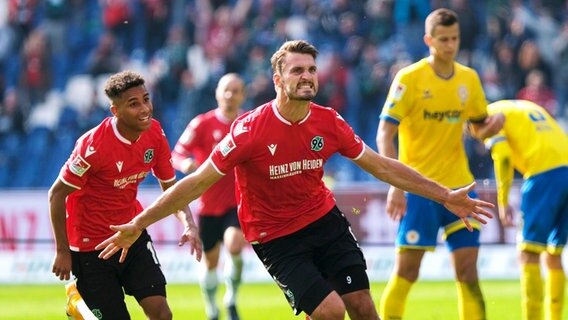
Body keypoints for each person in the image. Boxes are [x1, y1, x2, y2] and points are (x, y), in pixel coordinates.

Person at [95, 40, 494, 320]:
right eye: (297, 70)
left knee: (363, 310)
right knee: (331, 312)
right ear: (277, 79)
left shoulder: (329, 121)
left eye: (312, 70)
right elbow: (196, 181)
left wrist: (445, 195)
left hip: (325, 223)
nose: (307, 76)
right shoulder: (249, 131)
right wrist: (138, 224)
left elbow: (382, 166)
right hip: (276, 238)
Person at [48, 70, 202, 320]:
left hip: (131, 235)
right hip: (91, 247)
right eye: (134, 104)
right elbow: (56, 194)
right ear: (115, 111)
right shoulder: (93, 146)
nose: (144, 109)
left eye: (146, 99)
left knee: (162, 314)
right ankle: (78, 304)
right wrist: (63, 251)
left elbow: (172, 191)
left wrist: (189, 223)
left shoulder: (155, 133)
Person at [375, 8, 499, 320]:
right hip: (420, 190)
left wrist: (492, 127)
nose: (450, 45)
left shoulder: (468, 79)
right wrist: (396, 184)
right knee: (408, 271)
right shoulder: (410, 79)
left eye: (454, 38)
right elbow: (384, 134)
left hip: (460, 185)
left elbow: (478, 127)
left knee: (468, 273)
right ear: (428, 39)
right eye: (443, 39)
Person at [474, 99, 568, 320]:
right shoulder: (519, 106)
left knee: (528, 254)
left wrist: (503, 200)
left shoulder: (491, 116)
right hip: (566, 170)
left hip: (542, 176)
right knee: (553, 255)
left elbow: (503, 157)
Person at [171, 73, 247, 320]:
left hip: (238, 202)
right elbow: (177, 154)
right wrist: (185, 165)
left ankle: (232, 300)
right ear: (217, 93)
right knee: (211, 263)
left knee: (235, 245)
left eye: (235, 91)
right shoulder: (201, 123)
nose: (230, 95)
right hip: (208, 206)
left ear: (242, 96)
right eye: (226, 90)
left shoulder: (247, 123)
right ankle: (212, 308)